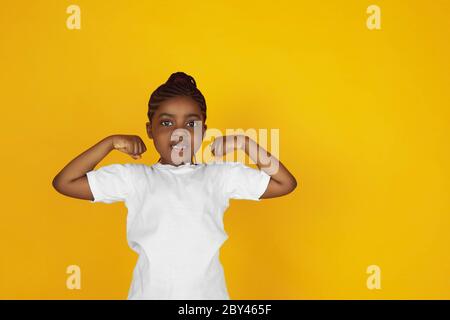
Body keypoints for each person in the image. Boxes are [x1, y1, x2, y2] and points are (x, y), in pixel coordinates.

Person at [52, 71, 297, 299]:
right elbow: (66, 182)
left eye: (191, 124)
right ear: (150, 129)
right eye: (167, 123)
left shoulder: (220, 176)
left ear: (204, 130)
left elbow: (284, 182)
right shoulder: (135, 178)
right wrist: (110, 143)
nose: (180, 133)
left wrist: (245, 143)